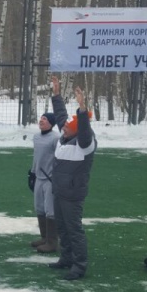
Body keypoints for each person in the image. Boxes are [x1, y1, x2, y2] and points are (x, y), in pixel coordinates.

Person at [47, 85, 96, 280]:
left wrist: (82, 108)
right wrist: (56, 95)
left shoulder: (85, 144)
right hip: (59, 191)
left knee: (74, 230)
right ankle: (66, 259)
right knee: (62, 228)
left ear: (76, 131)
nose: (63, 128)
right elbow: (61, 116)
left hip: (73, 195)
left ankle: (79, 266)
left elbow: (84, 130)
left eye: (67, 127)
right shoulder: (66, 135)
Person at [29, 77, 61, 253]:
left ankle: (52, 242)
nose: (41, 121)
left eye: (44, 119)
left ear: (51, 123)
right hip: (38, 178)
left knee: (50, 210)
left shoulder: (56, 138)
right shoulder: (36, 137)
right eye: (40, 119)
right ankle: (44, 236)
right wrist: (32, 173)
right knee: (39, 207)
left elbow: (59, 159)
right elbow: (36, 157)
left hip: (50, 179)